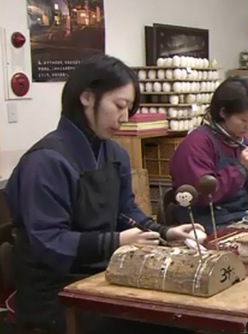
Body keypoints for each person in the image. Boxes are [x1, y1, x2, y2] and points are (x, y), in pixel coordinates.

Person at [3, 55, 200, 334]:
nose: (124, 117)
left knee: (183, 312)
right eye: (119, 105)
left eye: (129, 108)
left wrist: (163, 232)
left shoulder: (113, 153)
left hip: (102, 275)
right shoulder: (46, 161)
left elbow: (125, 212)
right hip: (56, 291)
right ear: (86, 97)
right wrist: (116, 241)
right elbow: (49, 241)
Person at [169, 77, 248, 233]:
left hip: (239, 216)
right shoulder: (196, 144)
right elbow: (203, 196)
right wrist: (240, 169)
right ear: (223, 112)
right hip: (207, 222)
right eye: (244, 120)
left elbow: (243, 190)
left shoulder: (241, 139)